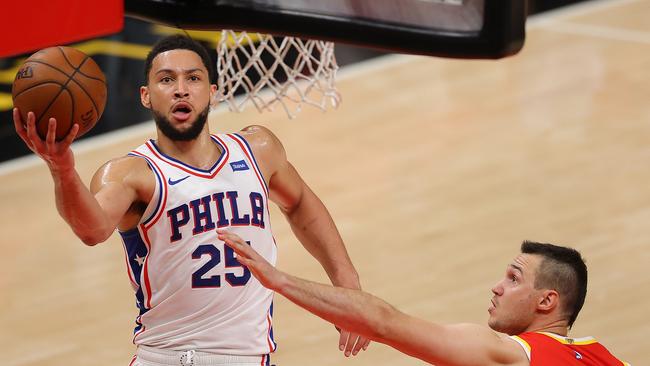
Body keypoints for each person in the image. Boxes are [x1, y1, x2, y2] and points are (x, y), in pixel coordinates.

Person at [13, 34, 369, 365]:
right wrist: (62, 169)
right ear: (146, 95)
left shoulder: (258, 149)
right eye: (166, 80)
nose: (181, 90)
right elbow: (91, 229)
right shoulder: (131, 174)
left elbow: (300, 203)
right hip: (171, 357)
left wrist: (346, 282)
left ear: (213, 92)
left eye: (193, 79)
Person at [219, 231, 630, 366]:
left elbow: (383, 322)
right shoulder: (606, 356)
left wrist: (277, 280)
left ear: (546, 302)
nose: (497, 287)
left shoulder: (510, 354)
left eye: (513, 278)